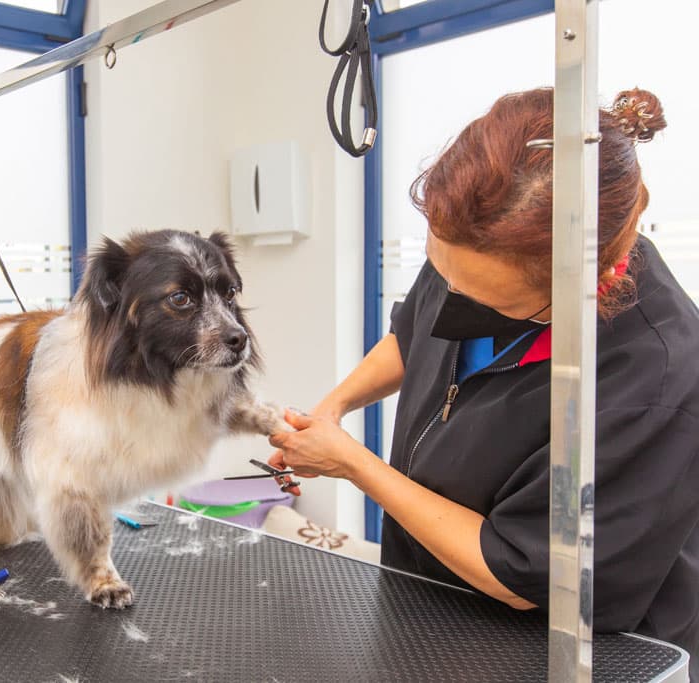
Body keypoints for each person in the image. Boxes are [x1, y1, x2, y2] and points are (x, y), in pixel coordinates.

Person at [269, 87, 699, 677]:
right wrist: (335, 405)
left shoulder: (655, 377)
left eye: (473, 291)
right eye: (440, 268)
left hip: (556, 649)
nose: (450, 293)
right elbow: (412, 331)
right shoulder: (475, 238)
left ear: (573, 281)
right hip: (434, 602)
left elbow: (524, 573)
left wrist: (354, 464)